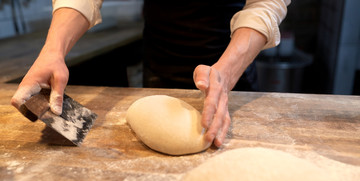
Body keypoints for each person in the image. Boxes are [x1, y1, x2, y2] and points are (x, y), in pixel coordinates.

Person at [11, 0, 290, 147]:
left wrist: (226, 75)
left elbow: (266, 4)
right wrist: (54, 49)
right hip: (161, 53)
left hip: (231, 58)